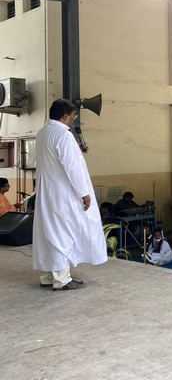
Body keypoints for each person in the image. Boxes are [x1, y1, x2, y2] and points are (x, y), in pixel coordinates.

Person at [32, 99, 107, 291]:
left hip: (46, 192)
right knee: (62, 234)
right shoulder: (63, 135)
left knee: (48, 232)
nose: (74, 120)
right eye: (73, 116)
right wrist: (84, 193)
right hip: (62, 193)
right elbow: (72, 167)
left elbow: (53, 160)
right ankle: (62, 280)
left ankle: (47, 276)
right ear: (65, 116)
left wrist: (77, 150)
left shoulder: (42, 133)